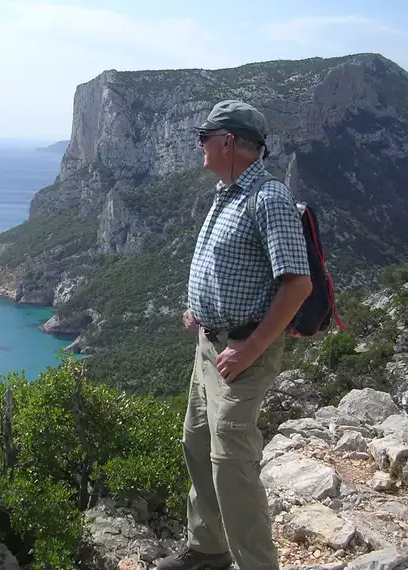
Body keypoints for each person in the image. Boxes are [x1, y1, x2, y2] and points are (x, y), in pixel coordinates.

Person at [157, 100, 312, 570]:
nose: (198, 145)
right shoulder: (226, 193)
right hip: (210, 346)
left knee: (231, 466)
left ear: (227, 142)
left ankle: (257, 565)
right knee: (197, 444)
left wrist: (251, 347)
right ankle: (208, 548)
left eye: (203, 137)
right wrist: (197, 313)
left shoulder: (268, 198)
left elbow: (298, 284)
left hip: (242, 352)